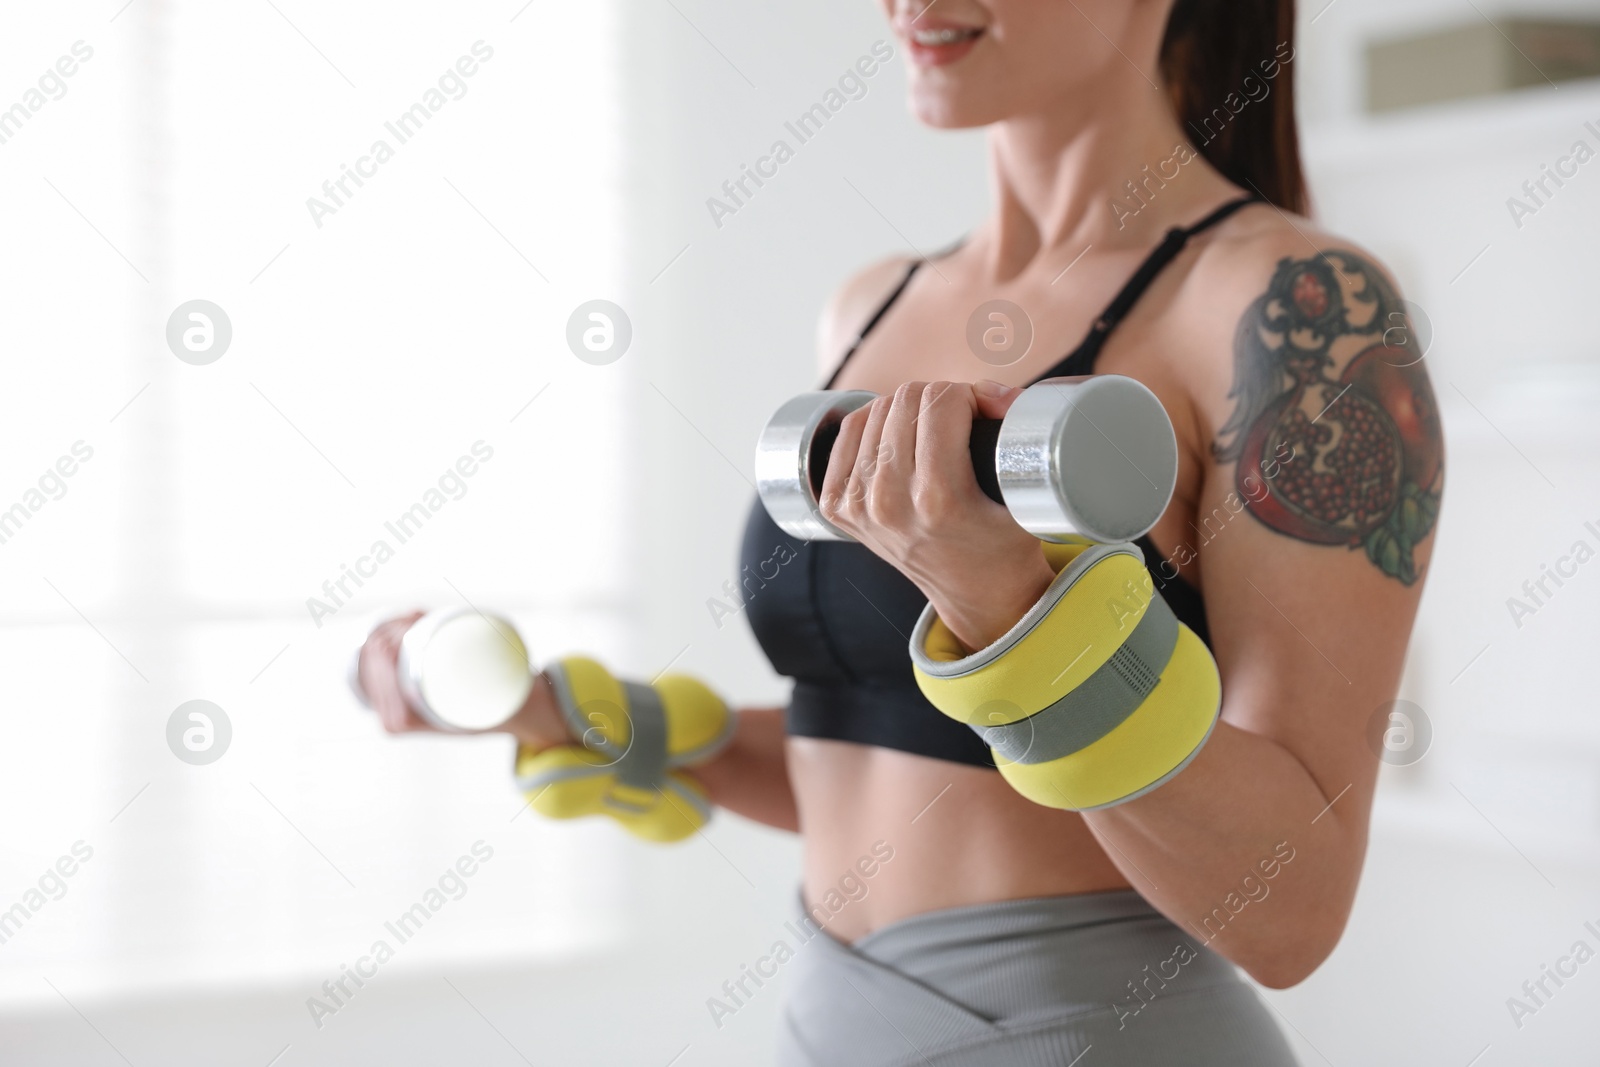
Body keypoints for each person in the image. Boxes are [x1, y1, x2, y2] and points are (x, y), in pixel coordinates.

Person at [359, 0, 1443, 1062]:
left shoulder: (1295, 311)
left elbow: (1290, 910)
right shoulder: (872, 304)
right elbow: (900, 763)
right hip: (832, 1019)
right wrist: (588, 721)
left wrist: (1011, 606)